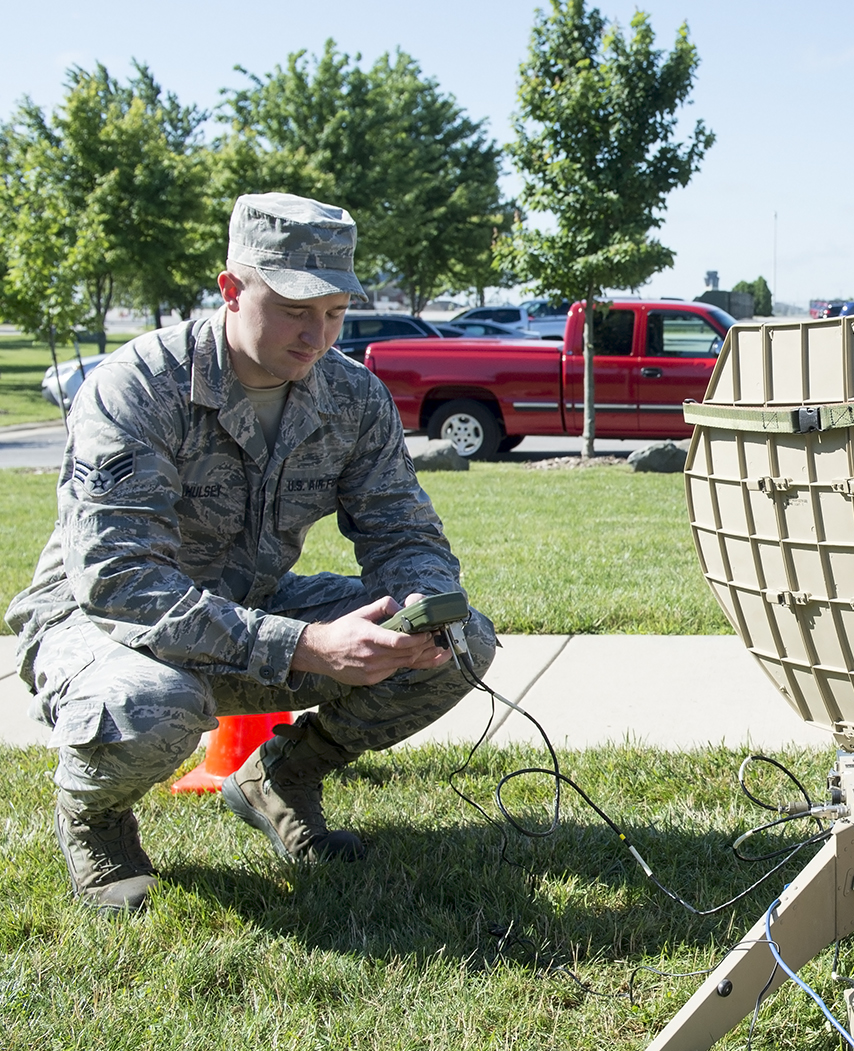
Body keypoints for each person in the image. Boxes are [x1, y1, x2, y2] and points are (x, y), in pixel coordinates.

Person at [8, 192, 497, 914]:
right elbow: (120, 580)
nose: (318, 334)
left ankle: (281, 780)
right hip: (97, 624)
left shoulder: (351, 396)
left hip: (247, 606)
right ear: (231, 289)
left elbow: (401, 529)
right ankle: (94, 820)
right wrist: (304, 646)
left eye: (334, 312)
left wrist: (424, 604)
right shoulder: (138, 386)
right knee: (148, 703)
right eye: (297, 308)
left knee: (463, 641)